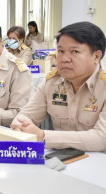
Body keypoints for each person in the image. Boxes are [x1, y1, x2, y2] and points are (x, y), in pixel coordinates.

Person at [11, 22, 106, 152]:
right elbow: (26, 115)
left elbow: (102, 138)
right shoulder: (52, 82)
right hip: (59, 160)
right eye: (61, 51)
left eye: (75, 51)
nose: (64, 59)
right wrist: (20, 128)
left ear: (96, 56)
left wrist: (43, 136)